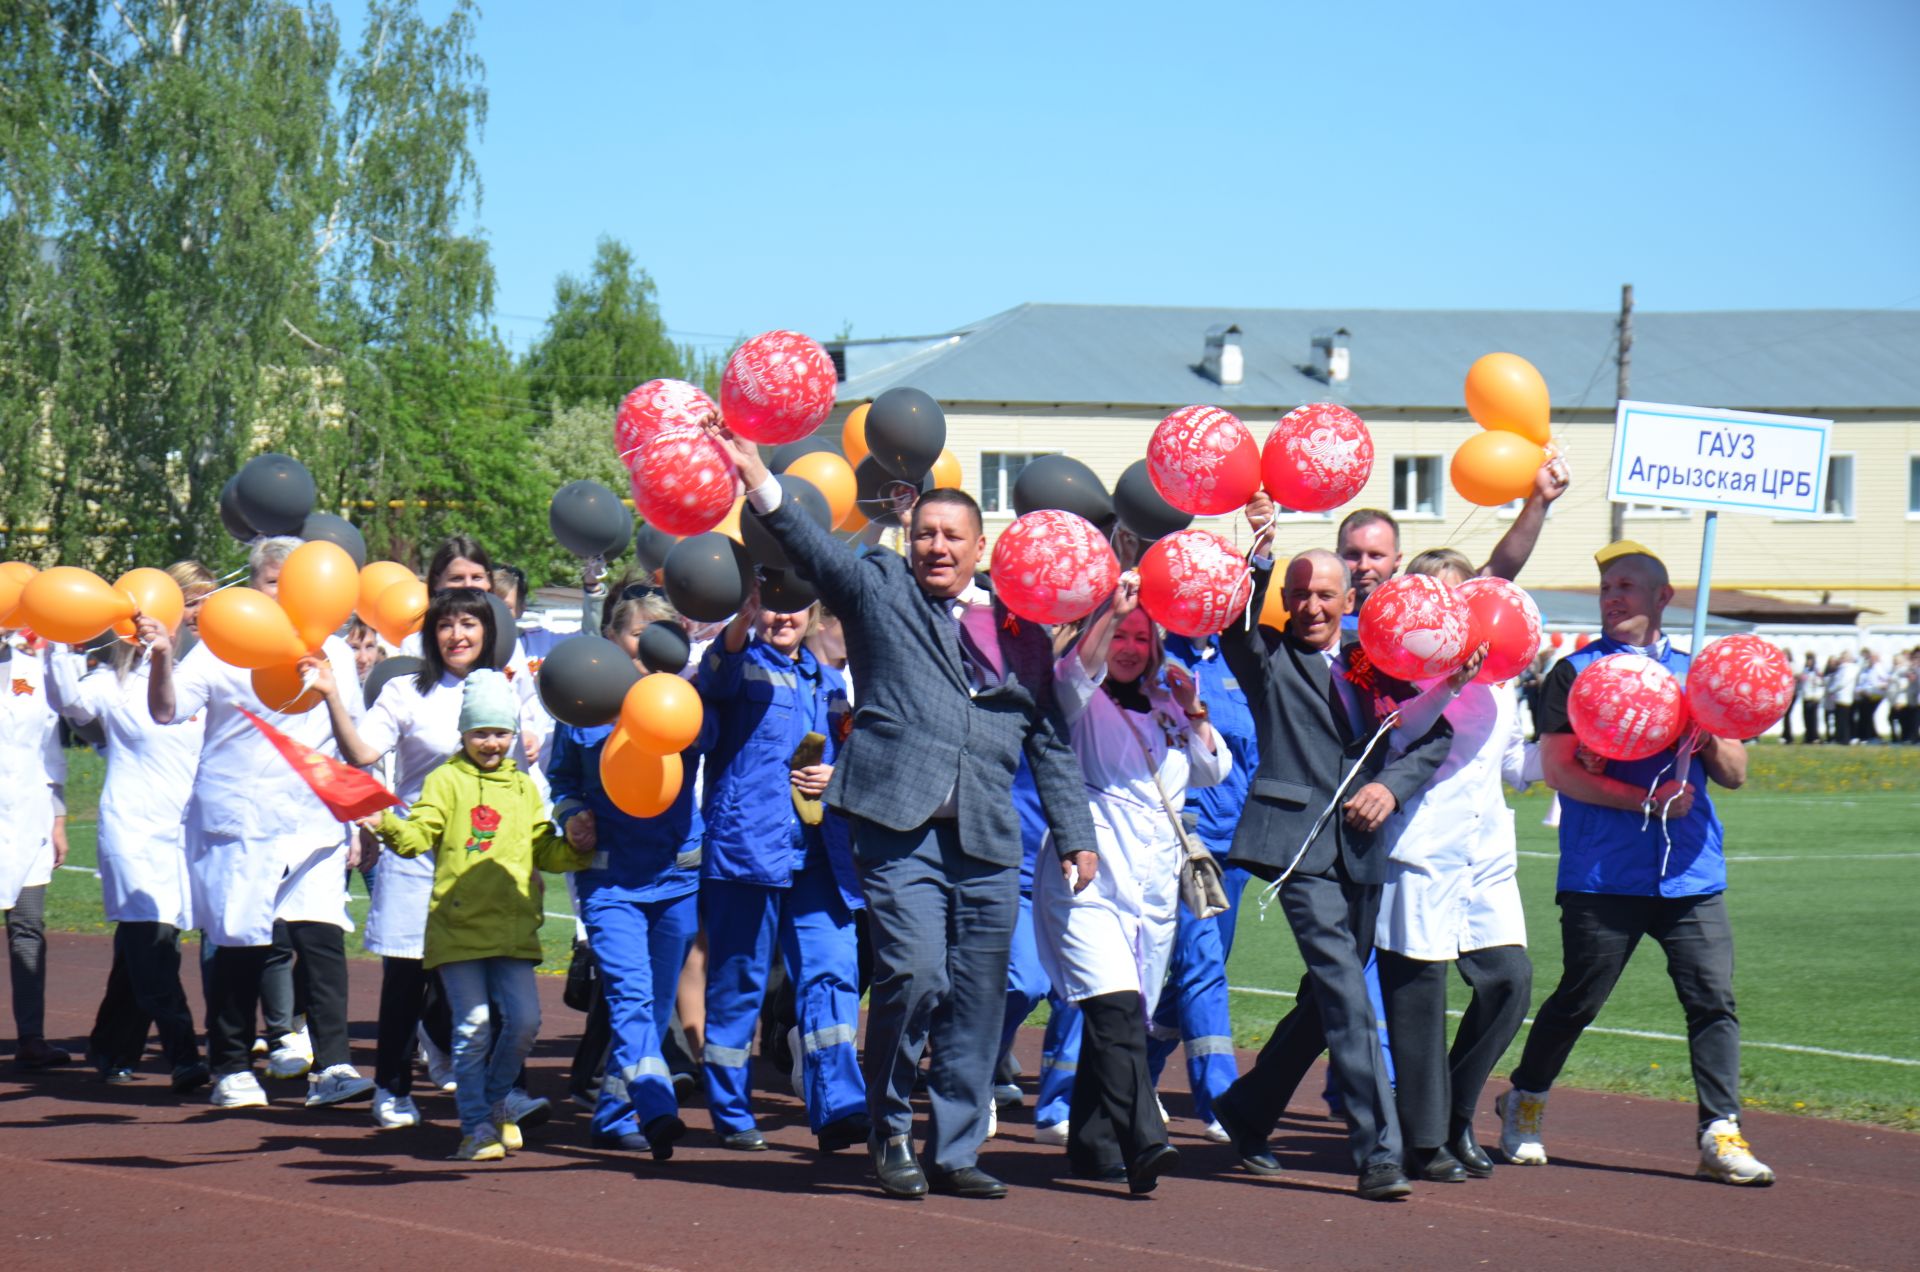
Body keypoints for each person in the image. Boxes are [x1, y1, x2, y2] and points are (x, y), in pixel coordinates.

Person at [707, 419, 1099, 1202]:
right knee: (914, 977)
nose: (937, 549)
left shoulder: (1016, 630)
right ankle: (888, 1129)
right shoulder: (877, 587)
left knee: (979, 996)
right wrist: (756, 476)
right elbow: (814, 548)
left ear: (980, 548)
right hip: (897, 826)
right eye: (926, 535)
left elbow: (1049, 736)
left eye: (953, 537)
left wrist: (1074, 833)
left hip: (988, 834)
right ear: (909, 536)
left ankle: (953, 1149)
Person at [1499, 540, 1772, 1186]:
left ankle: (1719, 1131)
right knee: (1578, 1000)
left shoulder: (1698, 671)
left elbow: (1734, 774)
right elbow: (1563, 771)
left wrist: (1705, 735)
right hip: (1603, 871)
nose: (1613, 596)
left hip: (1691, 873)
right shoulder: (1574, 672)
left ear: (1664, 598)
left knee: (1712, 1001)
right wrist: (1645, 799)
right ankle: (1525, 1099)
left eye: (1627, 586)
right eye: (1606, 587)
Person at [1209, 514, 1453, 1203]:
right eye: (1299, 594)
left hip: (1362, 853)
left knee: (1324, 1002)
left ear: (1351, 602)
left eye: (1326, 596)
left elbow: (1434, 737)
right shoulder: (1266, 657)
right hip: (1296, 851)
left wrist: (1389, 785)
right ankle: (1378, 1150)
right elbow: (1235, 621)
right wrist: (1259, 555)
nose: (1311, 607)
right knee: (1347, 993)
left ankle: (1247, 1108)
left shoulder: (1375, 663)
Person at [141, 537, 374, 1111]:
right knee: (242, 943)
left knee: (321, 940)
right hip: (239, 818)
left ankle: (336, 1065)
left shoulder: (336, 654)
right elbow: (167, 710)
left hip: (313, 819)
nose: (283, 593)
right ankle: (232, 1065)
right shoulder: (224, 644)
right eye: (272, 582)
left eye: (293, 581)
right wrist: (164, 657)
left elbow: (354, 741)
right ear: (252, 586)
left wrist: (359, 821)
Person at [306, 587, 532, 1131]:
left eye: (470, 625)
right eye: (447, 624)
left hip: (483, 859)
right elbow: (362, 753)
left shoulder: (506, 690)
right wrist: (334, 695)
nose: (459, 635)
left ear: (488, 633)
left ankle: (509, 1093)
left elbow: (521, 775)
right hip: (419, 852)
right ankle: (392, 1087)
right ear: (432, 634)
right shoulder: (407, 691)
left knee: (498, 983)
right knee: (407, 979)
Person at [1034, 576, 1230, 1193]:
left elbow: (1213, 770)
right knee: (1115, 1004)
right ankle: (1145, 1138)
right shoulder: (1082, 698)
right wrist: (1108, 614)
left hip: (1151, 888)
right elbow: (1072, 675)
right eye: (1120, 632)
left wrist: (1193, 708)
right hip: (1086, 873)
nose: (1129, 645)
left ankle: (1092, 1146)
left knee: (1123, 1013)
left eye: (1141, 636)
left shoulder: (1168, 704)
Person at [364, 669, 591, 1160]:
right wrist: (384, 823)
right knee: (473, 1027)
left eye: (501, 733)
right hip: (457, 928)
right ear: (463, 734)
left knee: (526, 1022)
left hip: (512, 928)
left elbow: (543, 849)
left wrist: (575, 847)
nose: (491, 743)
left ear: (514, 734)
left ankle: (493, 1101)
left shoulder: (524, 787)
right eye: (481, 733)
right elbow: (418, 836)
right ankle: (476, 1128)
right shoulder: (445, 780)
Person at [1372, 548, 1539, 1183]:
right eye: (1440, 600)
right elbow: (1398, 736)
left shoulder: (1500, 681)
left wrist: (1576, 755)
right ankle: (1424, 1138)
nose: (1456, 614)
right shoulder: (1402, 674)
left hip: (1487, 855)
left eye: (1462, 598)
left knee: (1509, 980)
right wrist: (1449, 682)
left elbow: (1513, 762)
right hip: (1420, 849)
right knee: (1420, 996)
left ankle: (1457, 1113)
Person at [697, 593, 868, 1153]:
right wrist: (735, 626)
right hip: (746, 854)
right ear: (754, 609)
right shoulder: (738, 666)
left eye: (796, 608)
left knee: (833, 973)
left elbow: (847, 759)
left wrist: (834, 780)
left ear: (815, 613)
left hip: (820, 858)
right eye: (772, 607)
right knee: (738, 985)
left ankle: (839, 1104)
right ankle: (730, 1110)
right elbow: (710, 685)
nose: (783, 618)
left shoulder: (830, 685)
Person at [547, 589, 709, 1162]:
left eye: (665, 632)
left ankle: (614, 1114)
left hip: (676, 878)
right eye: (641, 633)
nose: (651, 645)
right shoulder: (585, 706)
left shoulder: (688, 699)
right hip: (610, 880)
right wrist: (572, 818)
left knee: (658, 999)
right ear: (615, 640)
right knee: (630, 996)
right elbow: (561, 781)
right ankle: (656, 1103)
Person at [45, 562, 211, 1092]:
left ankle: (112, 1046)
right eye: (187, 602)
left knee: (142, 946)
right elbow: (69, 703)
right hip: (131, 831)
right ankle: (185, 1052)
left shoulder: (198, 679)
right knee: (153, 940)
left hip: (182, 832)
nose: (188, 615)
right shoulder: (111, 681)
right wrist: (58, 643)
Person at [1145, 624, 1260, 1142]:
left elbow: (1252, 755)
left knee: (1198, 972)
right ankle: (1221, 1101)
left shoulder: (1237, 661)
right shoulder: (1154, 653)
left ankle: (1134, 1070)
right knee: (1204, 966)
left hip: (1233, 842)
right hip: (1182, 839)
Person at [1, 624, 70, 1071]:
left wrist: (58, 816)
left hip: (27, 817)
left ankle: (32, 1037)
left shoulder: (32, 669)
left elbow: (50, 749)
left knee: (27, 926)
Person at [1855, 650, 1887, 743]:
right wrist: (1860, 691)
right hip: (1865, 695)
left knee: (1868, 714)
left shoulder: (1879, 668)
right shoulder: (1865, 669)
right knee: (1864, 715)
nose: (1870, 660)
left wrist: (1875, 688)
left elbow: (1885, 681)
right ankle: (1866, 735)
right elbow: (1861, 682)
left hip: (1875, 695)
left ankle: (1870, 736)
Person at [1827, 652, 1857, 746]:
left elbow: (1842, 682)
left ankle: (1844, 739)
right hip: (1839, 697)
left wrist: (1831, 689)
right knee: (1839, 719)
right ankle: (1839, 738)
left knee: (1843, 719)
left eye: (1842, 657)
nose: (1840, 659)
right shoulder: (1843, 668)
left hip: (1844, 697)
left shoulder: (1848, 668)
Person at [1796, 653, 1824, 743]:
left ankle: (1814, 736)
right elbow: (1801, 684)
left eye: (1810, 660)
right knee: (1806, 718)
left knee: (1813, 718)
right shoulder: (1805, 671)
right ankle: (1808, 736)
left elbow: (1820, 684)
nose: (1808, 662)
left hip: (1813, 697)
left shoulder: (1816, 671)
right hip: (1806, 697)